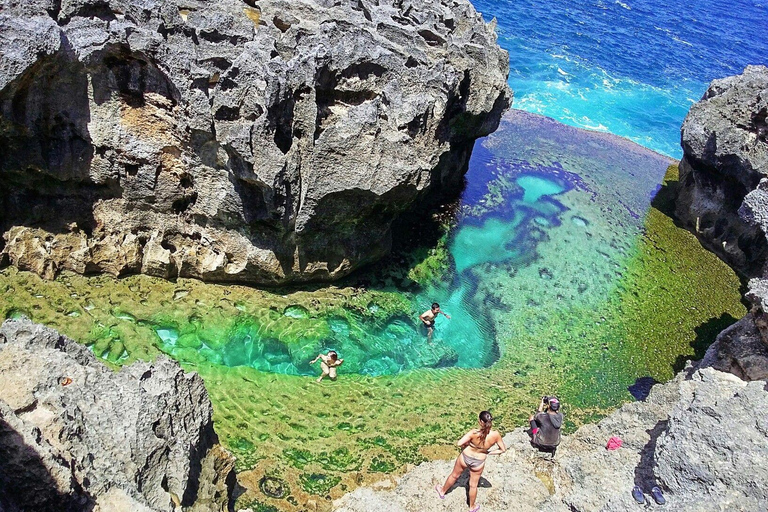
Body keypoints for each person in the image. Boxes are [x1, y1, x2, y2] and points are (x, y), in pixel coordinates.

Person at [435, 411, 506, 512]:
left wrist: (468, 444)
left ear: (480, 422)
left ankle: (442, 492)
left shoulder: (474, 433)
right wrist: (488, 452)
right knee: (473, 485)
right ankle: (472, 507)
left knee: (454, 476)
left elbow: (459, 443)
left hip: (466, 457)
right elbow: (502, 449)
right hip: (479, 462)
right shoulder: (495, 435)